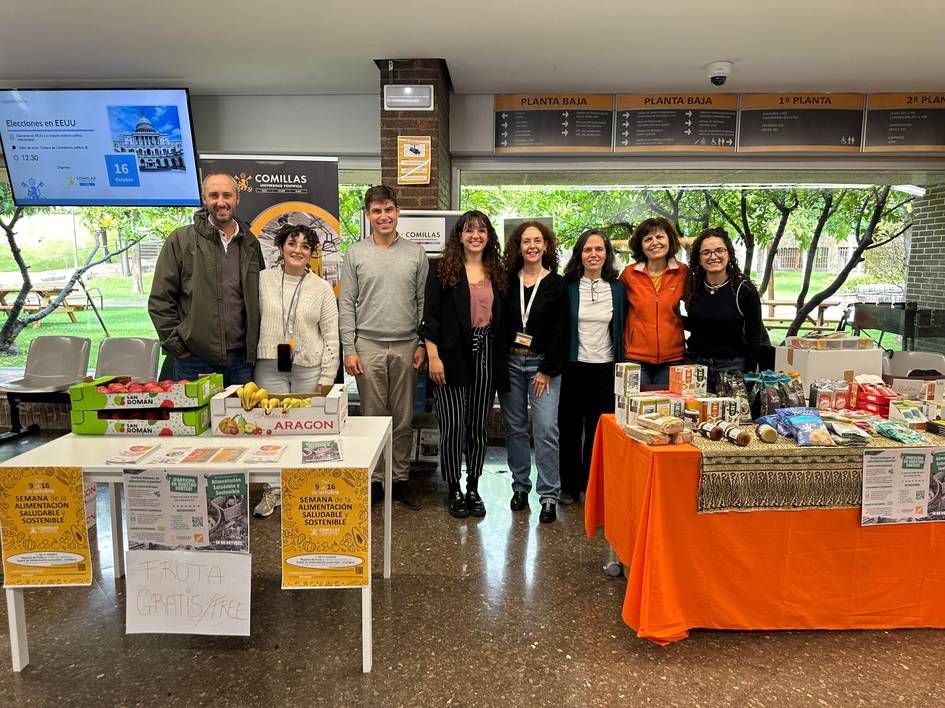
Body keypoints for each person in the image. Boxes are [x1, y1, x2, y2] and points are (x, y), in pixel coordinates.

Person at [339, 185, 428, 510]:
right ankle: (376, 481)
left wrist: (421, 343)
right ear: (368, 216)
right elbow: (346, 302)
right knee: (372, 418)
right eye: (376, 211)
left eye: (388, 209)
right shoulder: (355, 254)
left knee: (403, 418)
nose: (383, 216)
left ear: (397, 212)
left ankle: (400, 479)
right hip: (369, 346)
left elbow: (422, 302)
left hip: (406, 344)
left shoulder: (415, 253)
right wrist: (349, 347)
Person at [419, 211, 508, 519]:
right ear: (459, 236)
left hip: (487, 356)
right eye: (469, 230)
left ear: (488, 236)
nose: (475, 235)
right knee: (453, 427)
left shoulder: (497, 272)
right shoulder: (444, 271)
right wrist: (433, 357)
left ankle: (473, 486)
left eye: (482, 230)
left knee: (477, 428)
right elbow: (430, 318)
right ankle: (453, 487)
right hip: (450, 357)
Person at [253, 223, 340, 518]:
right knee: (270, 429)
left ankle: (304, 489)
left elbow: (331, 337)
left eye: (305, 246)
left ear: (311, 252)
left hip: (308, 368)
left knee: (305, 431)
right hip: (269, 366)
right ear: (281, 247)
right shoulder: (262, 280)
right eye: (292, 244)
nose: (298, 250)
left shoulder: (321, 288)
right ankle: (272, 491)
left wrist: (327, 378)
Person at [149, 172, 263, 387]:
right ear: (204, 199)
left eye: (227, 195)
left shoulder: (250, 243)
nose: (221, 202)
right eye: (214, 196)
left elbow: (260, 295)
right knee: (196, 421)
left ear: (237, 199)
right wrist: (178, 348)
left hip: (241, 360)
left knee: (238, 420)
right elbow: (160, 301)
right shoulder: (181, 240)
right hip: (194, 359)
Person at [498, 221, 567, 524]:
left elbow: (561, 333)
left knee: (546, 430)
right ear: (518, 247)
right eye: (526, 241)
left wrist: (547, 370)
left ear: (546, 245)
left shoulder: (557, 284)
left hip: (542, 367)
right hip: (511, 363)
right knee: (514, 428)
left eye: (537, 240)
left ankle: (549, 494)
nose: (532, 246)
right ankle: (520, 487)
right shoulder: (506, 282)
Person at [558, 229, 628, 505]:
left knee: (599, 431)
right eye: (587, 249)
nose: (594, 254)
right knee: (570, 429)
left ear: (607, 254)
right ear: (579, 255)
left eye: (599, 249)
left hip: (606, 369)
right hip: (574, 367)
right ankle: (569, 487)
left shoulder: (618, 289)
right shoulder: (568, 287)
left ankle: (593, 484)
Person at [683, 227, 764, 392]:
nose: (713, 256)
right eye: (706, 252)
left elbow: (754, 337)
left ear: (729, 254)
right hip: (696, 367)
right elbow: (698, 325)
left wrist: (748, 377)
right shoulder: (693, 287)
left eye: (719, 250)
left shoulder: (744, 290)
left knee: (729, 417)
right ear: (699, 259)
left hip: (732, 368)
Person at [619, 217, 687, 386]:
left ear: (669, 240)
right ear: (640, 245)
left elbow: (698, 308)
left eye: (659, 237)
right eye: (648, 239)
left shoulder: (682, 272)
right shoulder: (629, 274)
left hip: (673, 359)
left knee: (668, 411)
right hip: (635, 359)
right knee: (634, 411)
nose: (654, 243)